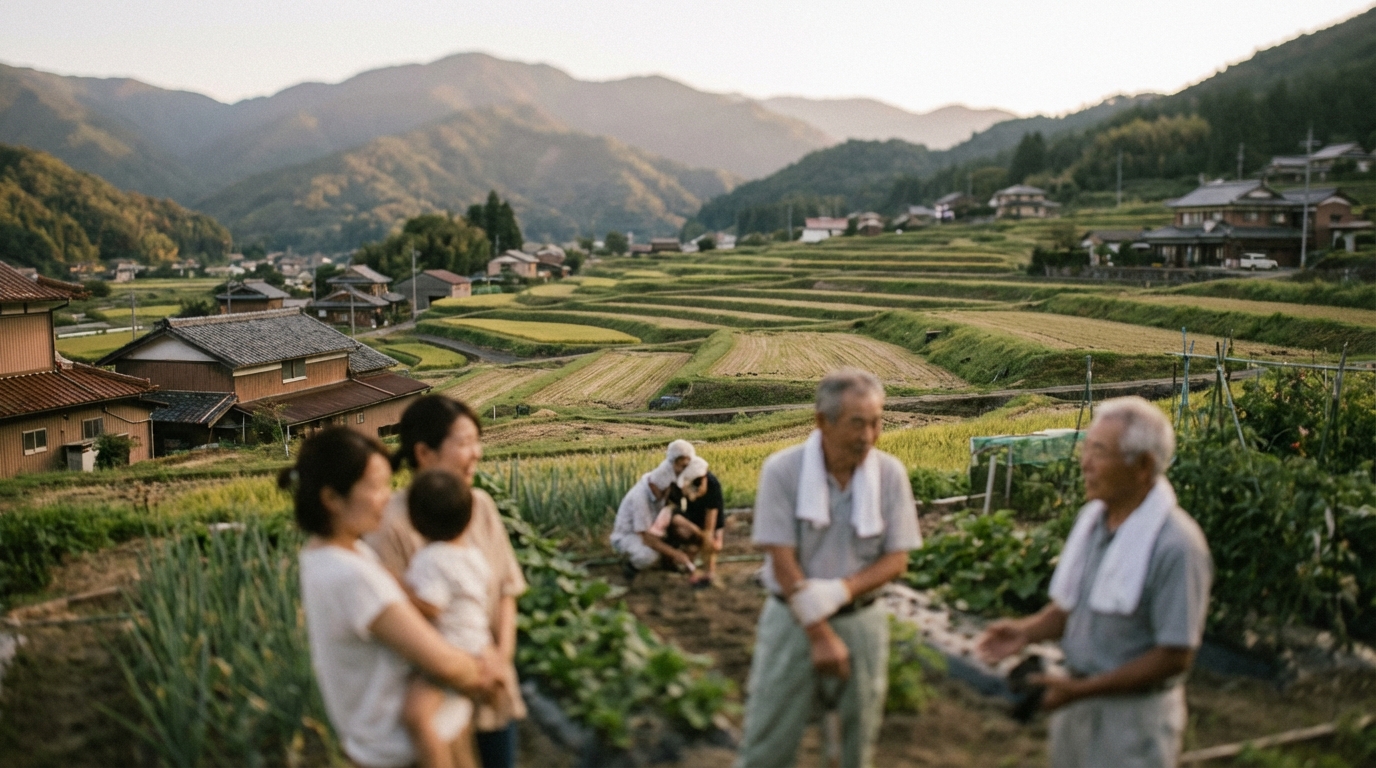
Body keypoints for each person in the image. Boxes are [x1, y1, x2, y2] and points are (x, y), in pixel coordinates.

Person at [976, 396, 1213, 768]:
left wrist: (1083, 690)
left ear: (1143, 465)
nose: (1085, 463)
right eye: (1087, 449)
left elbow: (1174, 656)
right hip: (1075, 702)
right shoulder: (1094, 522)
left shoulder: (1176, 545)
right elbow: (1074, 607)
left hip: (1130, 721)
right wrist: (1027, 631)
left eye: (1099, 452)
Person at [735, 369, 923, 768]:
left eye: (877, 422)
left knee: (855, 744)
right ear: (822, 421)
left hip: (861, 621)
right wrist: (818, 632)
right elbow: (782, 559)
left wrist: (840, 591)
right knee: (769, 740)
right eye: (858, 423)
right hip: (791, 621)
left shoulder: (889, 475)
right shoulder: (782, 471)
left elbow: (896, 559)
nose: (869, 436)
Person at [288, 427, 501, 768]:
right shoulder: (352, 577)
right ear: (332, 499)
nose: (388, 496)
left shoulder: (332, 554)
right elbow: (442, 662)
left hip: (422, 734)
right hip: (411, 752)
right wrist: (484, 672)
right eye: (375, 486)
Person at [364, 396, 528, 768]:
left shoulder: (480, 504)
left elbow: (505, 591)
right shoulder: (388, 523)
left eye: (477, 441)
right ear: (424, 452)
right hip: (433, 690)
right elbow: (396, 618)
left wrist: (500, 663)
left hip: (491, 680)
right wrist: (466, 673)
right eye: (465, 442)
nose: (477, 453)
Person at [403, 470, 503, 768]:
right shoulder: (473, 556)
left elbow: (432, 607)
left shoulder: (431, 559)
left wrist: (397, 591)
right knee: (456, 727)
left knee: (417, 716)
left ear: (415, 521)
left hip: (453, 651)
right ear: (469, 517)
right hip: (478, 645)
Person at [610, 440, 699, 579]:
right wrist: (676, 554)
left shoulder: (661, 483)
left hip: (649, 530)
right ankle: (630, 569)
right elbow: (646, 538)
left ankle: (668, 563)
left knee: (681, 531)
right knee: (649, 555)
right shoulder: (640, 497)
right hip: (629, 536)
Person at [656, 456, 725, 587]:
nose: (692, 494)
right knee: (680, 530)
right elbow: (670, 513)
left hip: (706, 518)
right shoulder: (678, 483)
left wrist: (709, 571)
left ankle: (701, 565)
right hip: (689, 517)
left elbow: (710, 527)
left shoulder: (713, 487)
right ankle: (674, 555)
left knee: (715, 546)